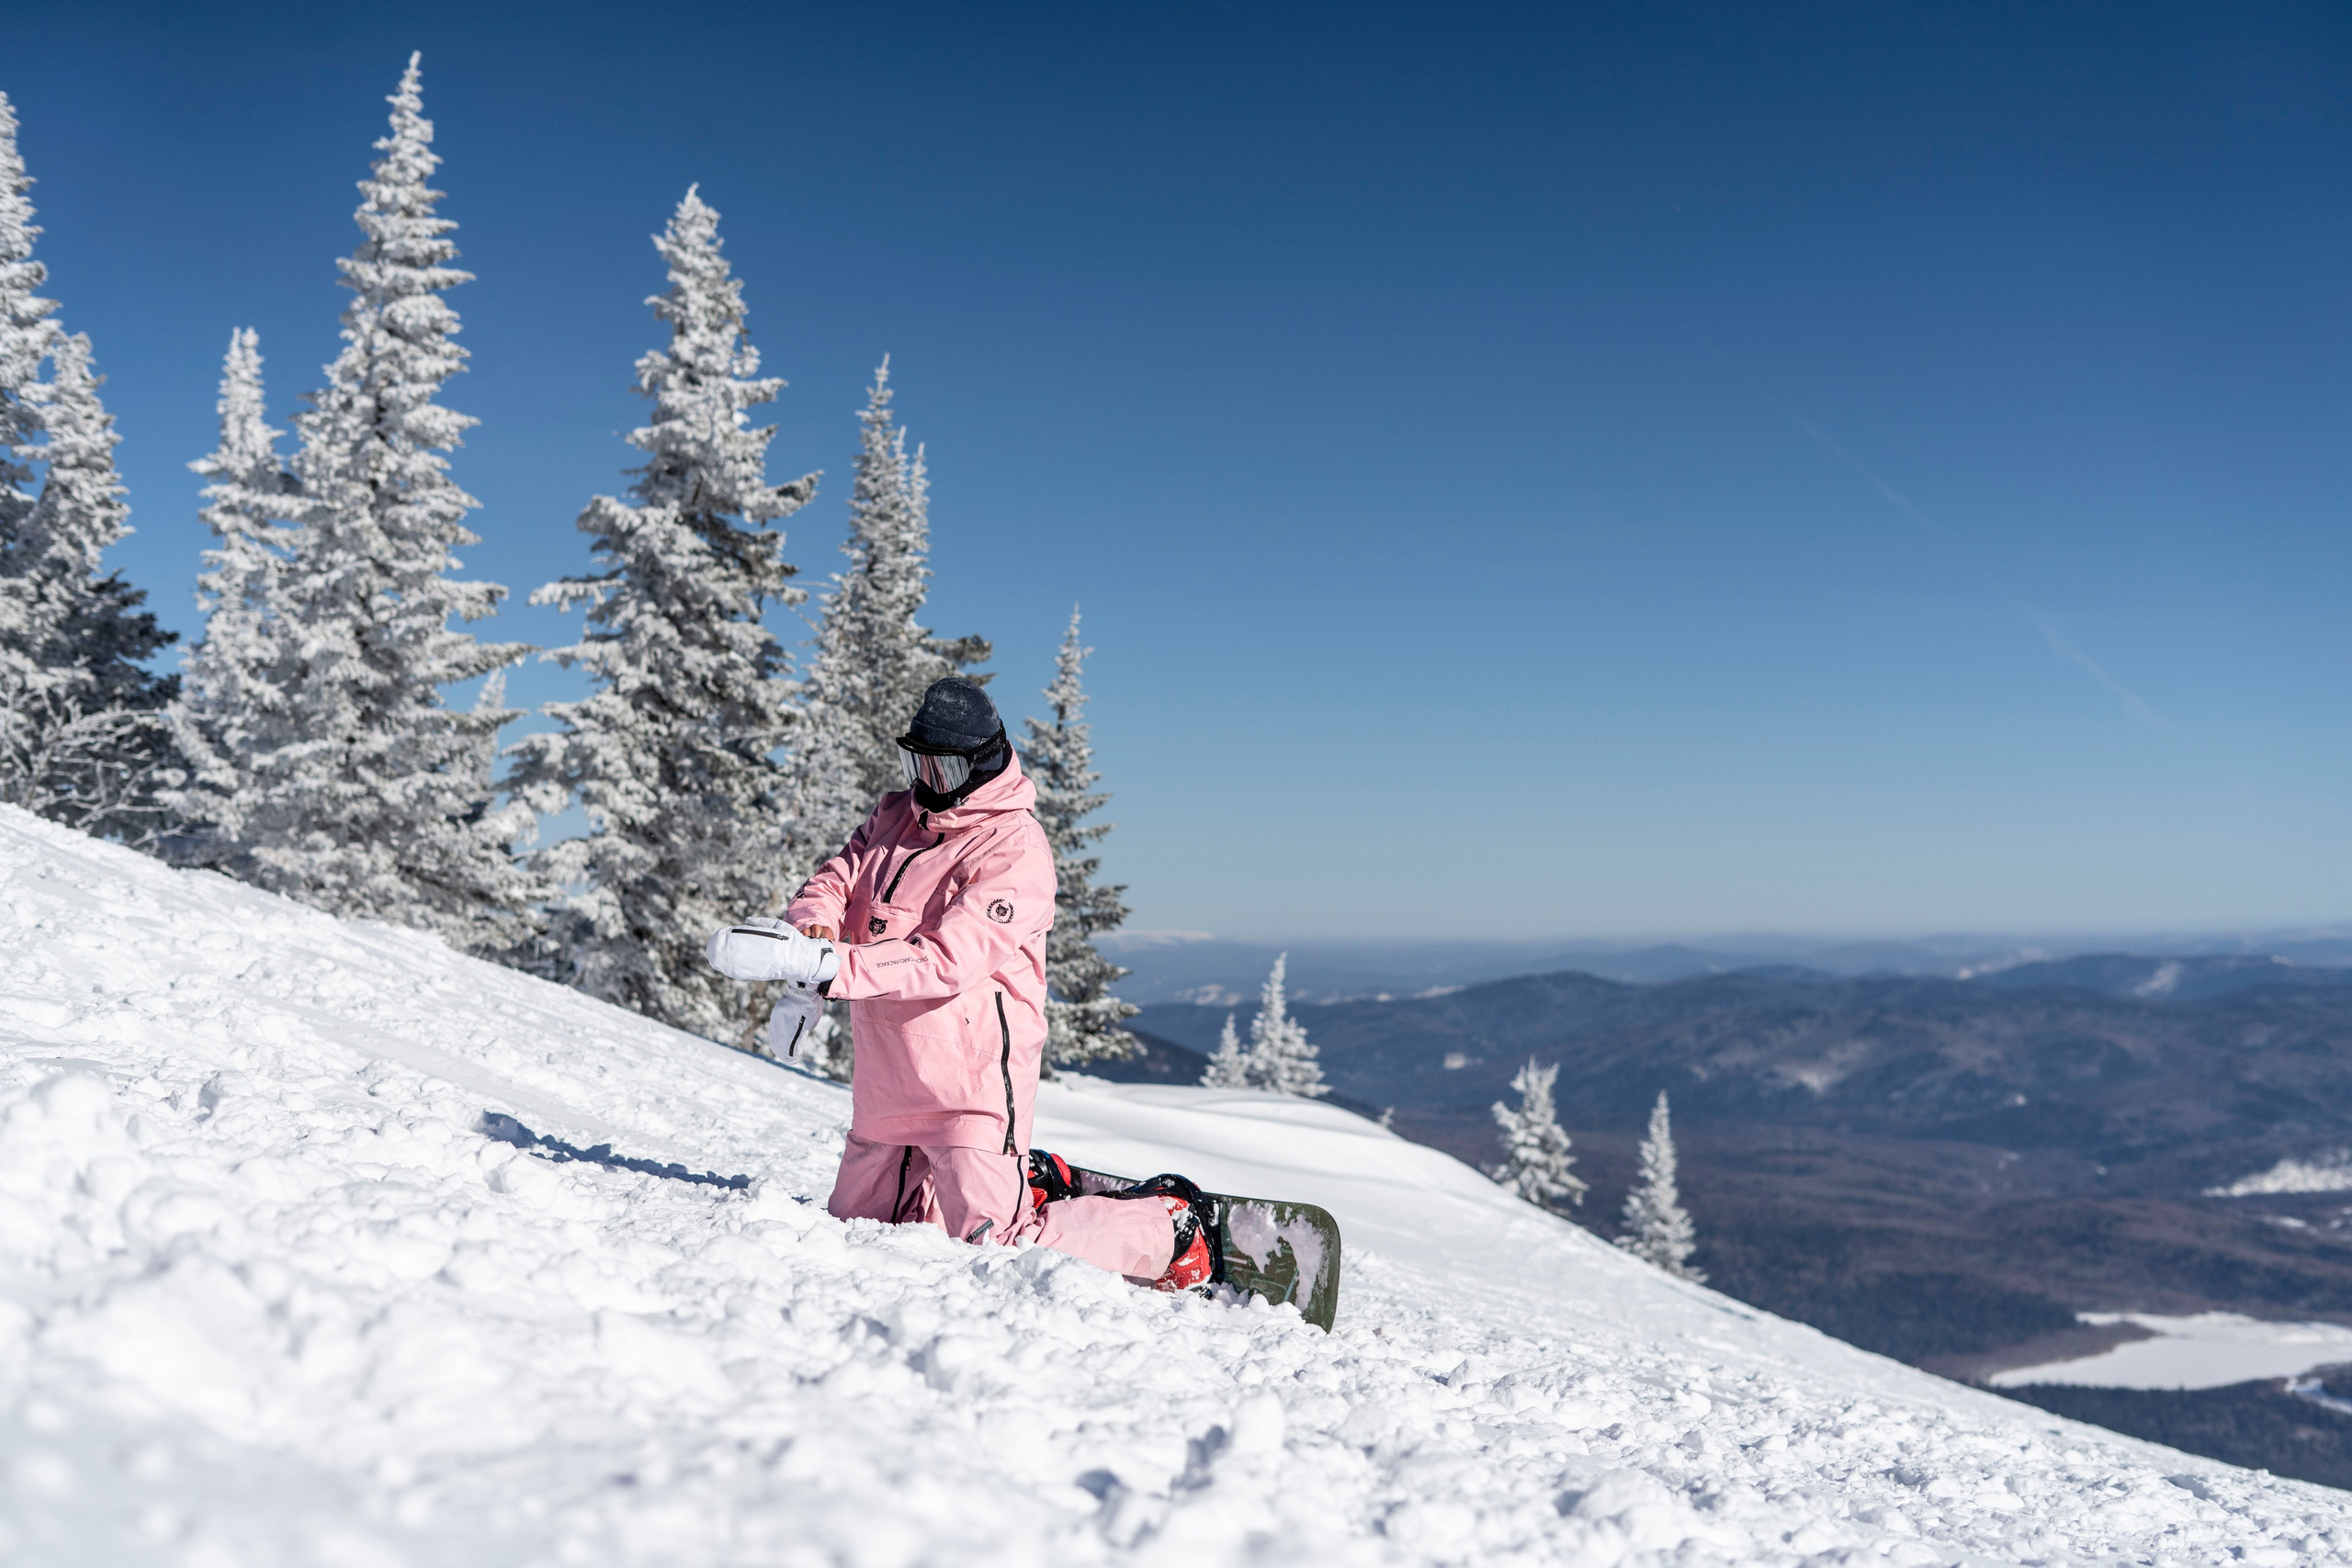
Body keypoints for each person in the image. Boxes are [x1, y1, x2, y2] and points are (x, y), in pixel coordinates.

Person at [707, 677, 1216, 1289]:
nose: (927, 781)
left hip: (972, 1081)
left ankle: (1168, 1229)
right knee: (852, 1231)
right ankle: (1017, 1178)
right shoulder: (895, 814)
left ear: (983, 761)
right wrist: (810, 938)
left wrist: (827, 970)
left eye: (942, 768)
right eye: (916, 761)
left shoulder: (1015, 848)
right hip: (888, 1077)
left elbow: (945, 960)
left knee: (994, 1248)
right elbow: (836, 878)